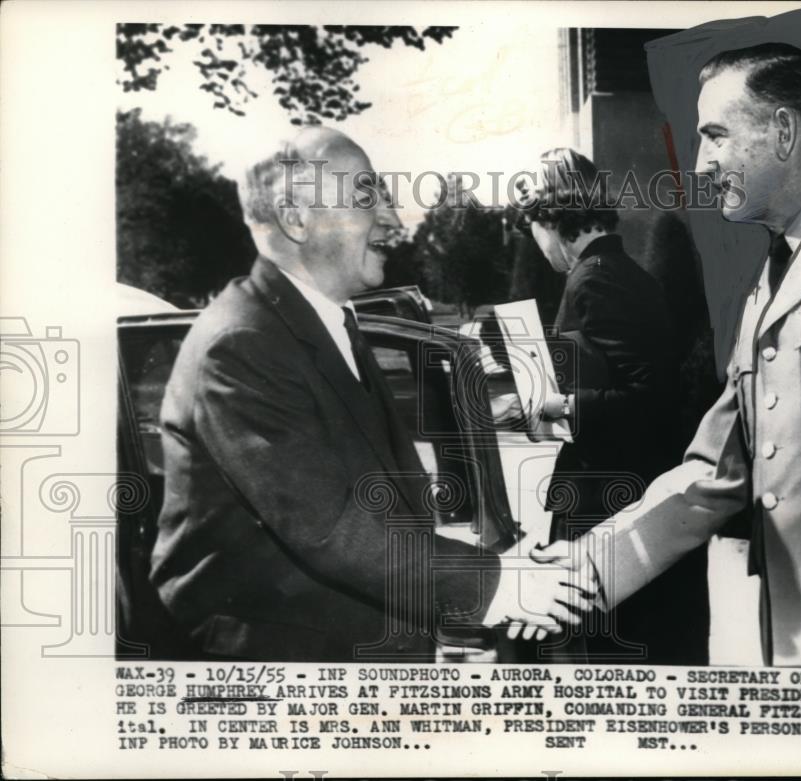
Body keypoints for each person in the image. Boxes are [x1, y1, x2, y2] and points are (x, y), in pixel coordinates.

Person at [546, 43, 801, 668]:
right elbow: (715, 473)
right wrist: (592, 561)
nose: (702, 162)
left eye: (715, 135)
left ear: (784, 131)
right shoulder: (767, 294)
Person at [149, 127, 593, 661]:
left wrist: (505, 565)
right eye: (366, 197)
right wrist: (499, 583)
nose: (393, 220)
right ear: (295, 219)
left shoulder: (323, 322)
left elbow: (382, 508)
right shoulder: (242, 344)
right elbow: (330, 528)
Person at [500, 148, 709, 664]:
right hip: (628, 495)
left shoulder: (594, 279)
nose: (536, 243)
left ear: (551, 219)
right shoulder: (620, 271)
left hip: (610, 504)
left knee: (602, 652)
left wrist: (556, 404)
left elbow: (648, 396)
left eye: (533, 228)